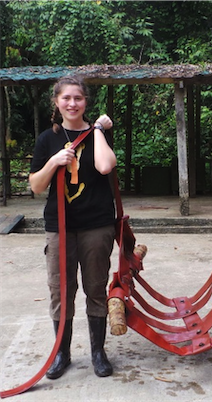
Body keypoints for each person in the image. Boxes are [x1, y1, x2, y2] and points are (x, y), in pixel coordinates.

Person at [29, 76, 117, 379]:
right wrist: (53, 162)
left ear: (85, 102)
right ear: (56, 102)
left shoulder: (97, 134)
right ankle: (61, 353)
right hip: (60, 226)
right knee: (60, 292)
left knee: (96, 288)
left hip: (97, 224)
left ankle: (97, 352)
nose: (72, 104)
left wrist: (97, 131)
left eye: (78, 98)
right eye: (66, 98)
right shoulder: (46, 139)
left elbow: (106, 166)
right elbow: (36, 186)